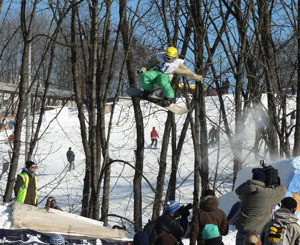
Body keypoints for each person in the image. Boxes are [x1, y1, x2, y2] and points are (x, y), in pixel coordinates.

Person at [235, 168, 287, 245]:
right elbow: (283, 190)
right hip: (259, 234)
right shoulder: (268, 193)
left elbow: (237, 190)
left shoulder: (245, 191)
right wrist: (277, 181)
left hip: (242, 231)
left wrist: (249, 183)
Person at [138, 46, 203, 107]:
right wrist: (143, 69)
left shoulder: (177, 64)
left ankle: (168, 98)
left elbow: (188, 73)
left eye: (169, 58)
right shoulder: (160, 56)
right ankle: (148, 91)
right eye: (165, 57)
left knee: (162, 80)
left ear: (174, 57)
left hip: (166, 76)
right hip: (156, 73)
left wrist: (199, 78)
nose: (167, 59)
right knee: (145, 75)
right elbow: (150, 63)